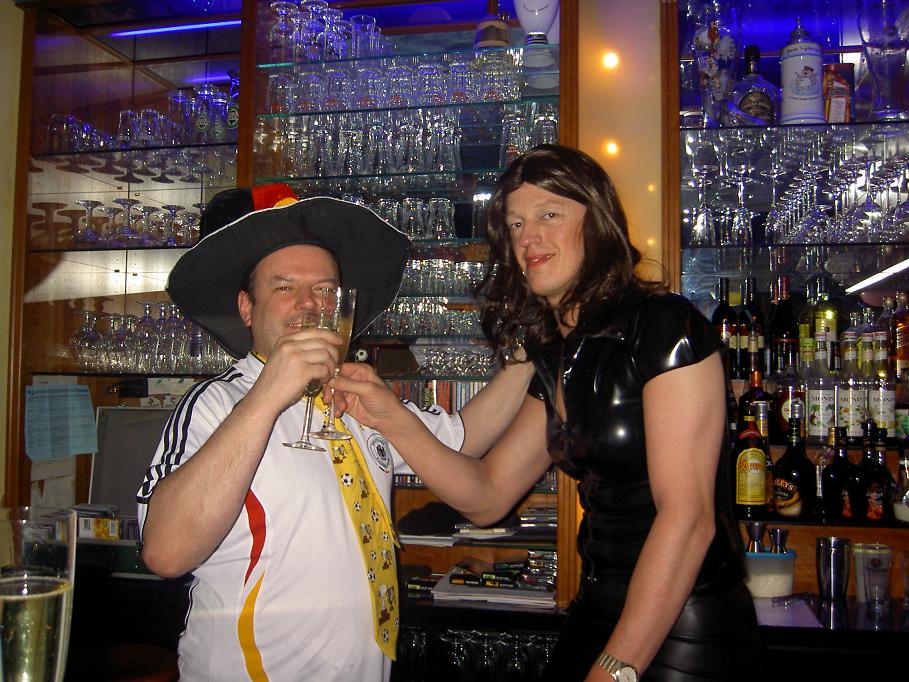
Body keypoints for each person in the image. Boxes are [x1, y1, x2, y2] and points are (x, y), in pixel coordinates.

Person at [331, 145, 763, 682]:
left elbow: (689, 520)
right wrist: (390, 417)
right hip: (599, 609)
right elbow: (488, 496)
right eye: (515, 225)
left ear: (597, 222)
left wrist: (615, 669)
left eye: (549, 215)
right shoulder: (560, 354)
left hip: (685, 621)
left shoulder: (663, 325)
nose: (527, 238)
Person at [137, 188, 533, 682]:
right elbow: (166, 553)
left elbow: (464, 438)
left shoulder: (357, 397)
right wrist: (267, 396)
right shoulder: (217, 404)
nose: (310, 304)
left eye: (326, 289)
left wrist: (529, 356)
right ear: (247, 307)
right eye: (285, 287)